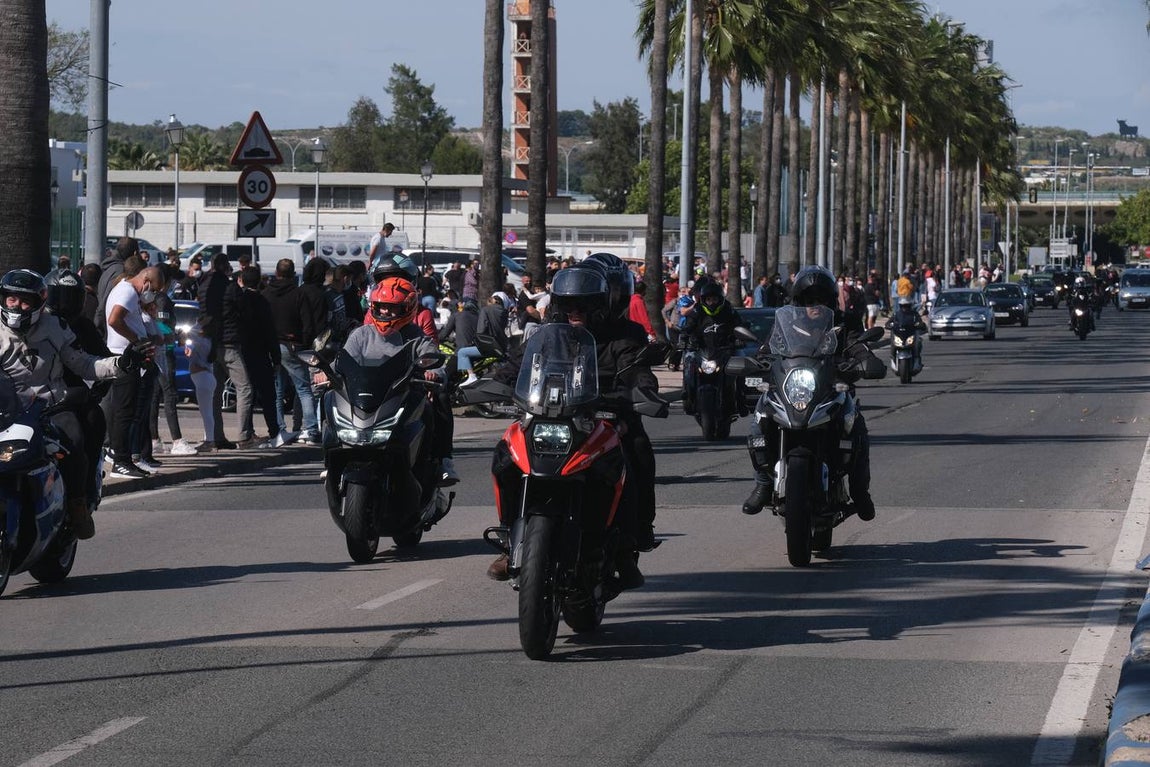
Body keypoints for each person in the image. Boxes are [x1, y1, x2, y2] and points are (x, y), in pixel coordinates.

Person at [486, 260, 660, 585]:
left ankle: (628, 543)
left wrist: (643, 390)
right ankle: (512, 538)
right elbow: (518, 363)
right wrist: (491, 382)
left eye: (584, 304)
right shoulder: (548, 334)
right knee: (506, 456)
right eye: (567, 304)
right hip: (550, 414)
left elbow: (637, 368)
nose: (575, 310)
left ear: (601, 304)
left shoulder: (624, 335)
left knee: (636, 451)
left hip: (606, 416)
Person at [741, 265, 884, 520]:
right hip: (792, 389)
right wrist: (757, 361)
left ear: (831, 301)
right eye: (809, 300)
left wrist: (866, 360)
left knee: (856, 431)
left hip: (832, 391)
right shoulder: (787, 324)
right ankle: (763, 482)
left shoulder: (844, 322)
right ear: (799, 302)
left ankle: (861, 493)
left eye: (821, 300)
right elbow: (768, 350)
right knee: (759, 419)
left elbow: (857, 346)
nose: (815, 305)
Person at [1, 269, 135, 538]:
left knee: (72, 441)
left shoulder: (55, 327)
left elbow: (84, 364)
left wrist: (120, 363)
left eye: (25, 301)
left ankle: (77, 505)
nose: (17, 306)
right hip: (4, 411)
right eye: (11, 299)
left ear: (39, 302)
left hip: (49, 408)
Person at [331, 275, 457, 483]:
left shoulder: (418, 339)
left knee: (436, 403)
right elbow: (342, 361)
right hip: (367, 398)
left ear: (407, 309)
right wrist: (326, 373)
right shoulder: (360, 335)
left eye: (392, 308)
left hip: (403, 397)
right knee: (329, 400)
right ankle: (333, 460)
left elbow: (438, 365)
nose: (385, 312)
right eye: (381, 307)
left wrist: (434, 373)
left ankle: (442, 459)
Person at [105, 266, 166, 479]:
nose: (152, 295)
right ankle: (120, 460)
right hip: (126, 357)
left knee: (128, 411)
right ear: (146, 281)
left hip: (130, 357)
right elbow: (114, 320)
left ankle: (125, 459)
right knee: (124, 411)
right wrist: (137, 341)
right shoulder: (128, 292)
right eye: (154, 290)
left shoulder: (126, 291)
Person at [679, 280, 743, 416]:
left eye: (714, 299)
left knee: (739, 368)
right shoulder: (697, 310)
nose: (711, 302)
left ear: (719, 299)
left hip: (724, 350)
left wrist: (739, 338)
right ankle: (688, 393)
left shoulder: (728, 310)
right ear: (703, 300)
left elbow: (739, 325)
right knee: (688, 361)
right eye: (708, 299)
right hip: (701, 350)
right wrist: (683, 339)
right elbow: (688, 327)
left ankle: (740, 399)